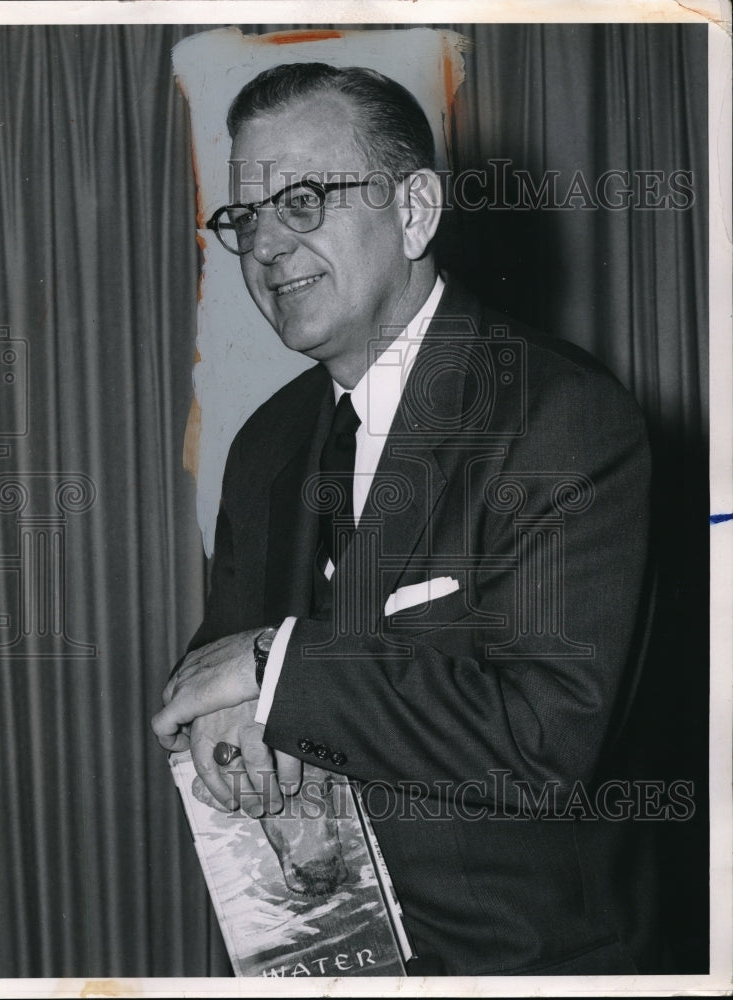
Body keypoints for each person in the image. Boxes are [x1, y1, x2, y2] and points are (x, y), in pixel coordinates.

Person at [152, 62, 658, 975]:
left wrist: (274, 667)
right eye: (244, 218)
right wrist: (214, 727)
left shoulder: (558, 414)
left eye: (300, 201)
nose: (266, 247)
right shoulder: (265, 446)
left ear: (415, 211)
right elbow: (222, 669)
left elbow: (544, 738)